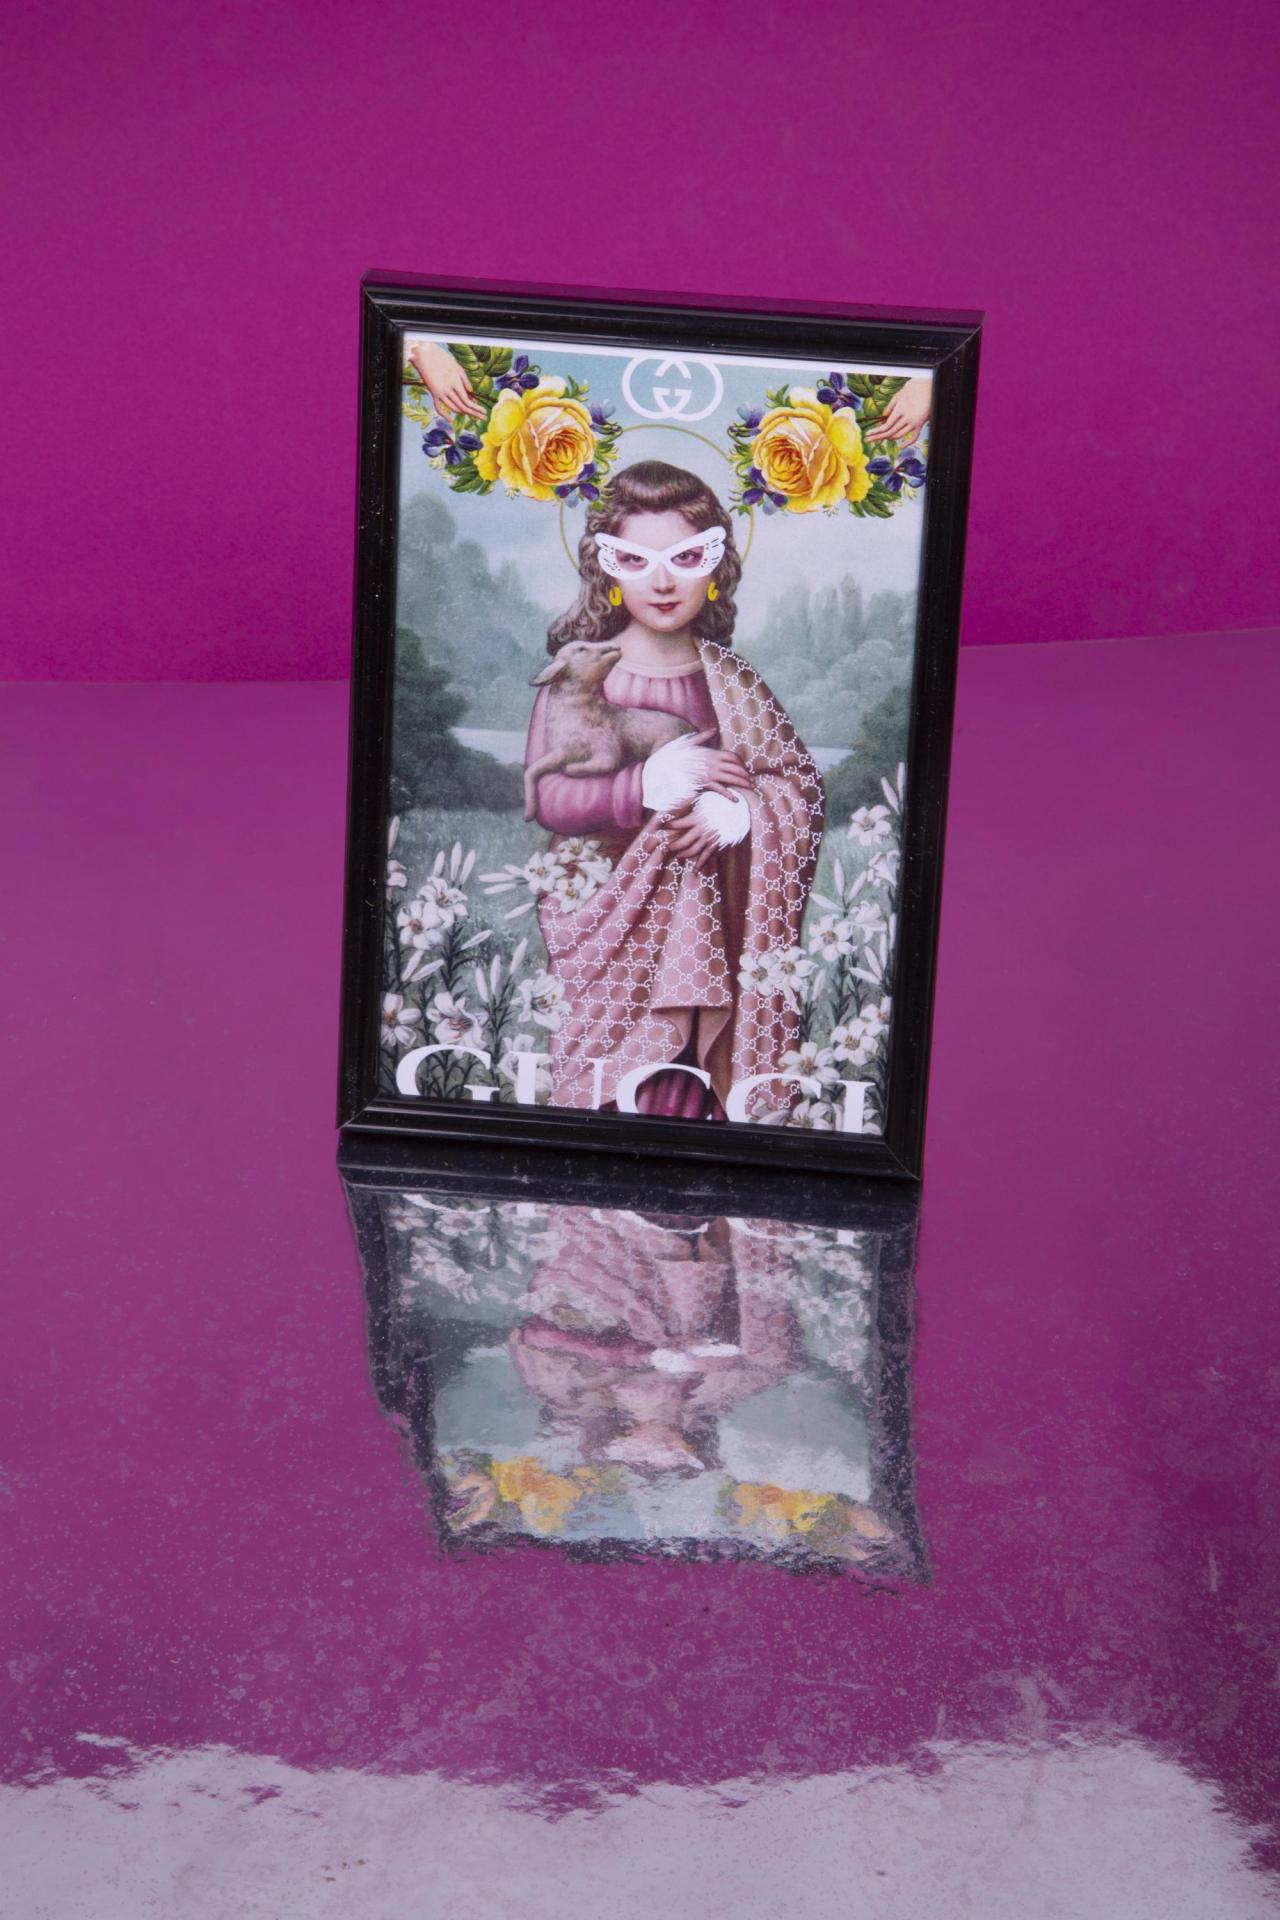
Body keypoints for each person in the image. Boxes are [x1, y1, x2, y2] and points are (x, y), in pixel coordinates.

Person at [525, 460, 825, 1122]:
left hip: (707, 920)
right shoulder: (575, 676)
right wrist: (644, 785)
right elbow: (551, 800)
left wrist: (739, 813)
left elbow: (795, 784)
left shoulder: (735, 683)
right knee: (600, 1101)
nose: (662, 582)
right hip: (602, 917)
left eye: (687, 558)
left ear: (716, 566)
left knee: (688, 1095)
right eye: (635, 560)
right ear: (605, 569)